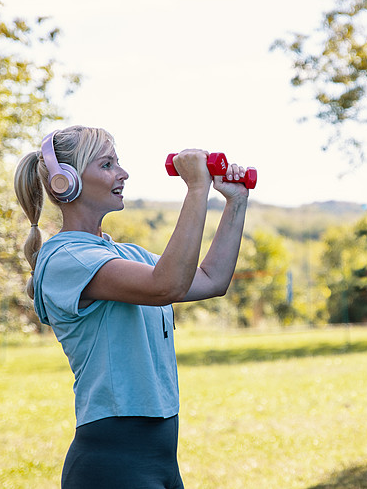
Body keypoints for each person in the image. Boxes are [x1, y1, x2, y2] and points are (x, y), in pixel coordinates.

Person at [13, 125, 249, 488]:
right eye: (107, 164)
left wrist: (234, 202)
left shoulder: (125, 254)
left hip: (162, 458)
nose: (122, 173)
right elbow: (165, 286)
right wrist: (197, 189)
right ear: (65, 181)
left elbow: (210, 279)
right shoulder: (65, 258)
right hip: (113, 462)